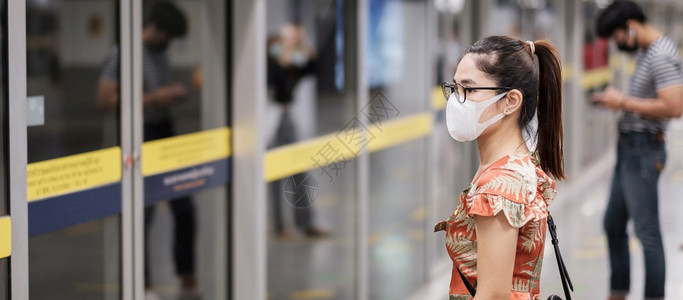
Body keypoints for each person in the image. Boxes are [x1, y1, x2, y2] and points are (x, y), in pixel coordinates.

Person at [434, 36, 564, 299]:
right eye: (455, 89)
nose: (457, 102)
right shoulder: (515, 164)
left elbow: (492, 295)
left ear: (511, 101)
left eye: (469, 90)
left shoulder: (498, 187)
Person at [97, 1, 199, 298]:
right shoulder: (122, 54)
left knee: (185, 206)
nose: (167, 43)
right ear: (153, 27)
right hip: (141, 135)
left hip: (165, 131)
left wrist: (168, 97)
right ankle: (141, 283)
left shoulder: (160, 54)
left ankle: (187, 275)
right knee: (142, 212)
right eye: (165, 36)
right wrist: (156, 97)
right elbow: (104, 100)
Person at [593, 1, 683, 299]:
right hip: (629, 150)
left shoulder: (660, 54)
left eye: (617, 36)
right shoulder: (647, 52)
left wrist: (623, 103)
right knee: (613, 223)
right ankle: (618, 292)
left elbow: (674, 107)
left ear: (630, 25)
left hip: (642, 152)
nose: (618, 44)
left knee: (648, 233)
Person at [267, 24, 328, 239]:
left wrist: (302, 43)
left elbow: (314, 67)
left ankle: (306, 223)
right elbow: (278, 85)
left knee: (299, 172)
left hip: (288, 121)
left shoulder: (291, 65)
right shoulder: (272, 63)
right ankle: (279, 226)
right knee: (274, 175)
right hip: (271, 123)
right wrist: (285, 50)